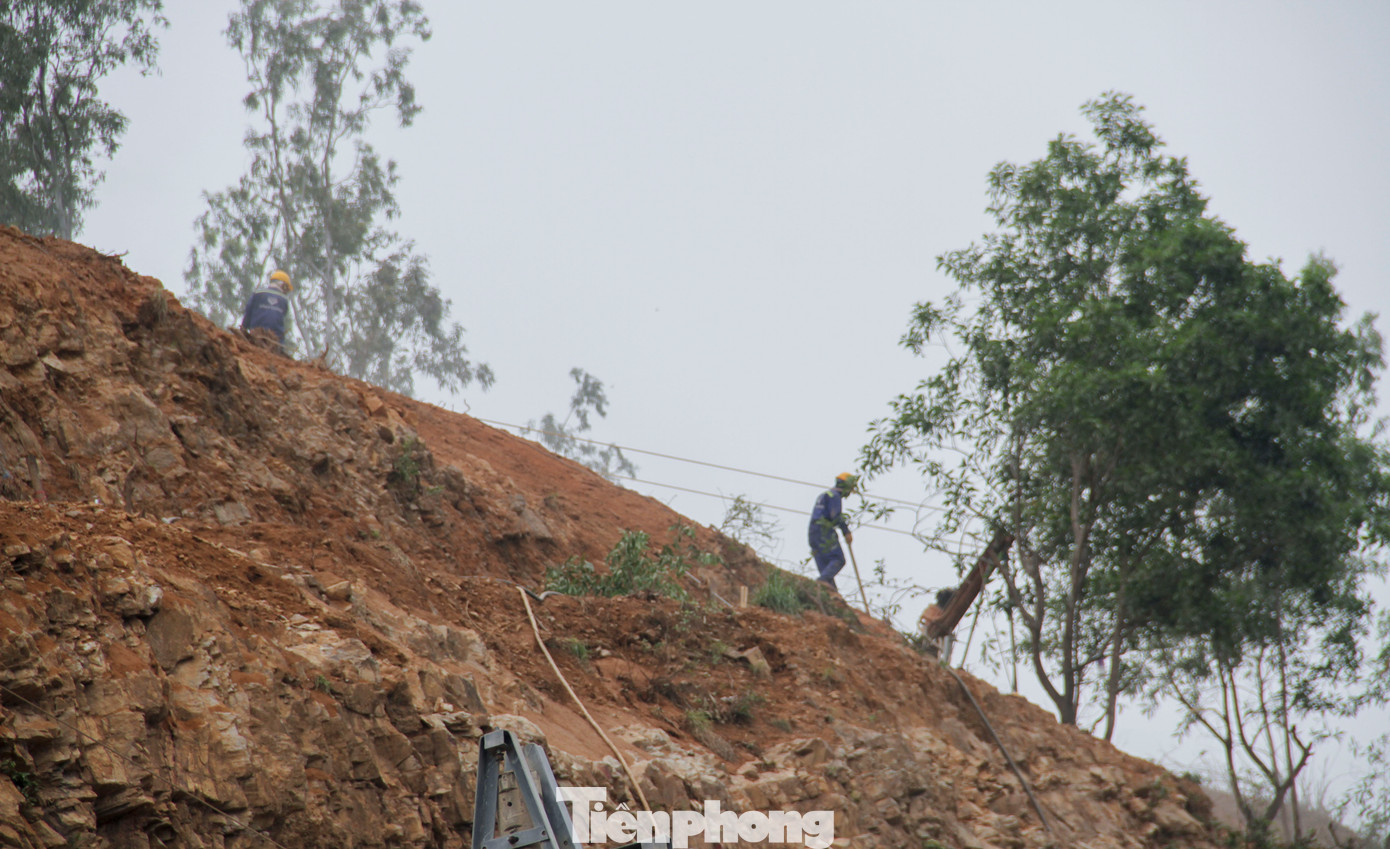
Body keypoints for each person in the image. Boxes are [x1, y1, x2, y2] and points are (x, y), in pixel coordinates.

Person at [808, 472, 856, 593]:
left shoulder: (824, 495)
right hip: (824, 530)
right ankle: (823, 581)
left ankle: (830, 591)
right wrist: (846, 532)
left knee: (825, 566)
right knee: (838, 559)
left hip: (813, 531)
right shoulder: (834, 496)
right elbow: (836, 516)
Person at [240, 269, 293, 350]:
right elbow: (280, 323)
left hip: (255, 337)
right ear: (283, 285)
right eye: (287, 288)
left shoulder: (258, 294)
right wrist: (281, 347)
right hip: (275, 342)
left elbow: (248, 314)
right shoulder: (284, 300)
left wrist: (242, 332)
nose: (286, 291)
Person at [918, 588, 956, 659]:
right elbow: (926, 618)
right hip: (928, 635)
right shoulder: (932, 609)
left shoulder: (947, 615)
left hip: (937, 640)